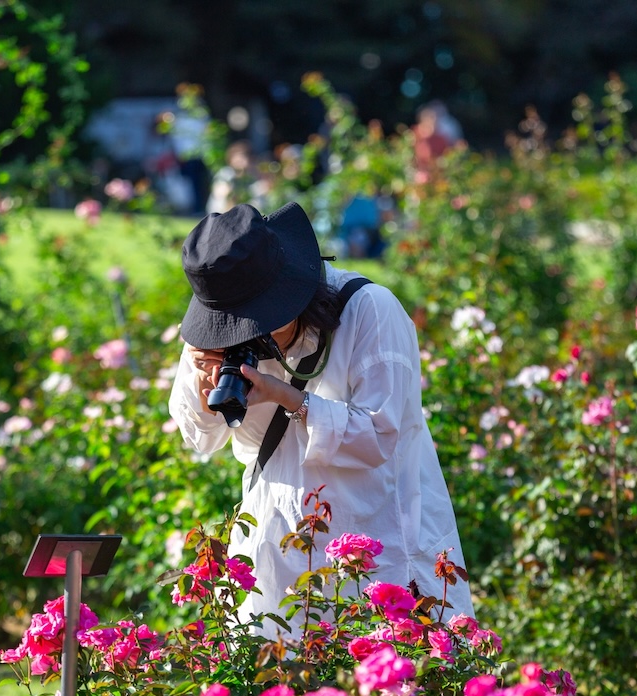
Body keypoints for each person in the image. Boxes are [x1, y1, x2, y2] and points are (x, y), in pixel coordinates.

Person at [168, 201, 475, 636]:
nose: (247, 339)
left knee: (389, 690)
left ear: (290, 289)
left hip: (377, 551)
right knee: (277, 695)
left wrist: (291, 399)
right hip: (277, 553)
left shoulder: (369, 311)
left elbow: (380, 438)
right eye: (235, 328)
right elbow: (201, 439)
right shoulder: (221, 322)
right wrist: (204, 388)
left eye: (258, 323)